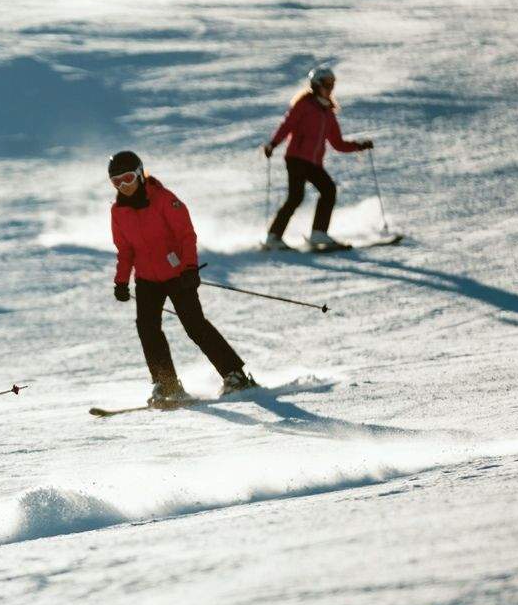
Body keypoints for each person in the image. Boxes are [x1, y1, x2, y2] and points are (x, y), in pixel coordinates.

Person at [109, 152, 258, 408]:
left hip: (178, 275)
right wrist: (121, 281)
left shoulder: (165, 200)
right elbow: (125, 250)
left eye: (129, 178)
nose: (124, 186)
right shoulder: (118, 211)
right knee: (147, 329)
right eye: (117, 182)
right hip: (146, 279)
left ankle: (234, 374)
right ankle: (166, 383)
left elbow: (185, 235)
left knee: (194, 325)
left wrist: (190, 268)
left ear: (140, 174)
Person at [262, 66, 373, 251]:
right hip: (296, 157)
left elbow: (337, 143)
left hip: (313, 162)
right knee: (296, 196)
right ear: (316, 85)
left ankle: (318, 233)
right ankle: (273, 237)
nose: (330, 89)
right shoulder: (305, 104)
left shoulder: (328, 112)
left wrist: (358, 146)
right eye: (327, 84)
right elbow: (287, 125)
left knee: (328, 190)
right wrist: (273, 144)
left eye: (332, 84)